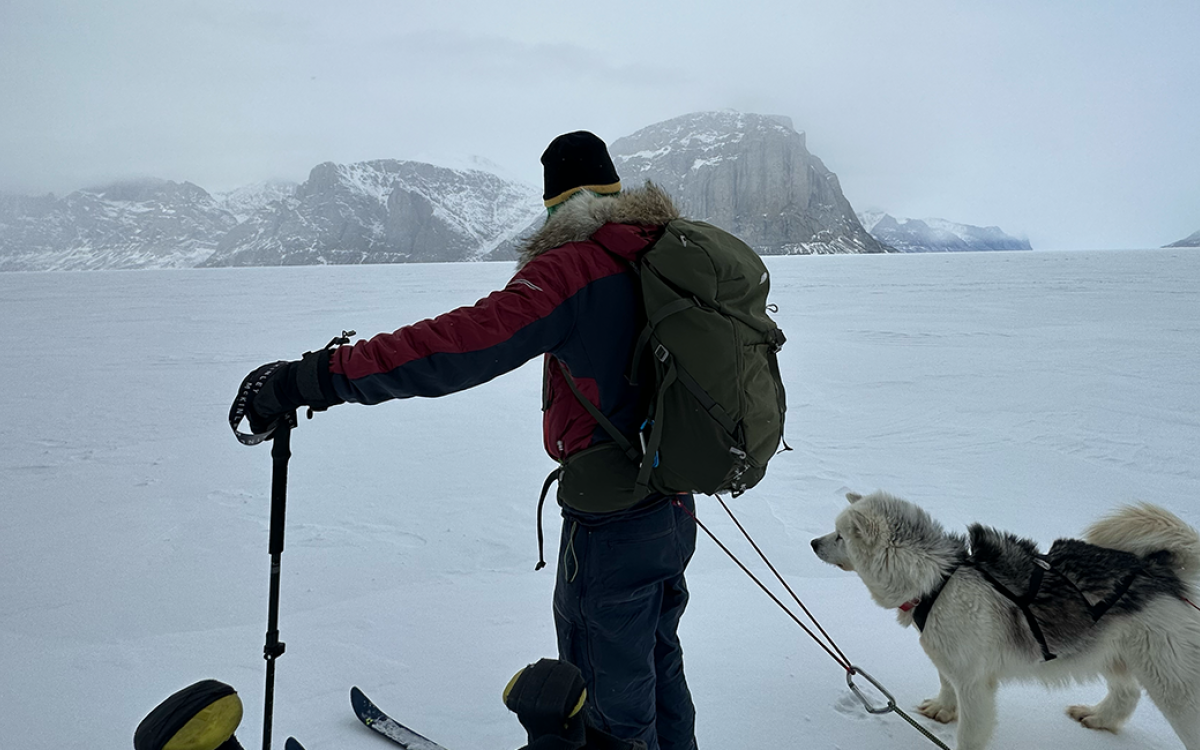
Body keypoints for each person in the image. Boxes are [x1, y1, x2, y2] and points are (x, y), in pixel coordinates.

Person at [233, 131, 698, 750]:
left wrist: (319, 377)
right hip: (672, 506)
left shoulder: (573, 265)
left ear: (555, 202)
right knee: (659, 667)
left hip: (611, 522)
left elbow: (460, 344)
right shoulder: (659, 250)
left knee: (610, 706)